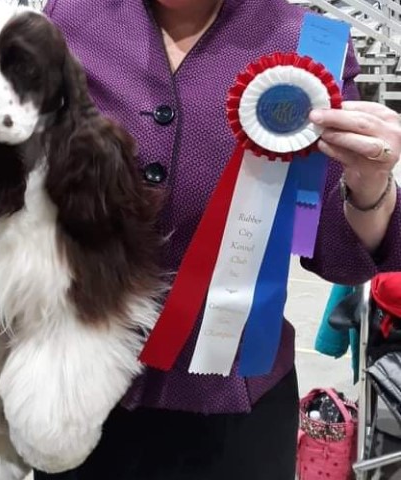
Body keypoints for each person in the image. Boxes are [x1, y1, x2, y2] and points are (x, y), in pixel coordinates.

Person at [35, 0, 401, 479]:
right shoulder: (68, 18)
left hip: (232, 398)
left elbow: (332, 247)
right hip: (74, 386)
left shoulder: (310, 44)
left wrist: (369, 183)